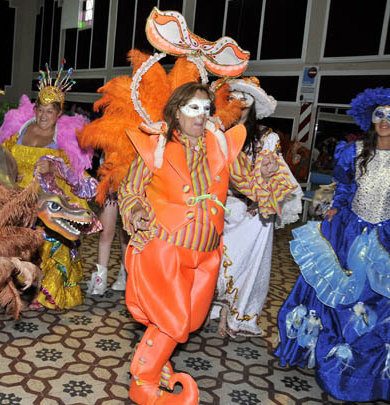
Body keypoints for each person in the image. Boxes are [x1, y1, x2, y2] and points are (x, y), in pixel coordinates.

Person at [120, 81, 282, 403]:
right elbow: (130, 188)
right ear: (176, 113)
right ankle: (144, 380)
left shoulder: (220, 145)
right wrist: (136, 210)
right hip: (165, 247)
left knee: (191, 320)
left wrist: (265, 173)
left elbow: (249, 184)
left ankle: (159, 358)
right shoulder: (158, 146)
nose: (200, 115)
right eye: (192, 108)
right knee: (173, 319)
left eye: (206, 108)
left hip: (207, 253)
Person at [275, 88, 390, 402]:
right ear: (371, 118)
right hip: (347, 234)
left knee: (372, 304)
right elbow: (344, 189)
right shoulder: (354, 151)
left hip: (384, 241)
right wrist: (336, 208)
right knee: (332, 295)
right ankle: (323, 355)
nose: (385, 120)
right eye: (380, 114)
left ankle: (361, 374)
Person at [209, 77, 302, 337]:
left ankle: (236, 315)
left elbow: (272, 175)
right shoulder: (214, 133)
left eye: (245, 98)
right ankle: (212, 307)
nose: (239, 102)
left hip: (252, 215)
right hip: (217, 210)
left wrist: (263, 186)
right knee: (213, 261)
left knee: (246, 266)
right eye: (233, 96)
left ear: (253, 106)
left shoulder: (266, 137)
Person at [0, 64, 95, 310]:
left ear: (58, 113)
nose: (43, 116)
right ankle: (8, 287)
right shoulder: (18, 129)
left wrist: (54, 169)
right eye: (40, 110)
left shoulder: (64, 138)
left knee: (49, 236)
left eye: (49, 112)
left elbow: (75, 175)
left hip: (47, 195)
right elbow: (4, 157)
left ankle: (45, 290)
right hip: (15, 194)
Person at [85, 190, 128, 295]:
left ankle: (125, 275)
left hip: (132, 180)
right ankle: (100, 279)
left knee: (127, 231)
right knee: (106, 230)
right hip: (112, 180)